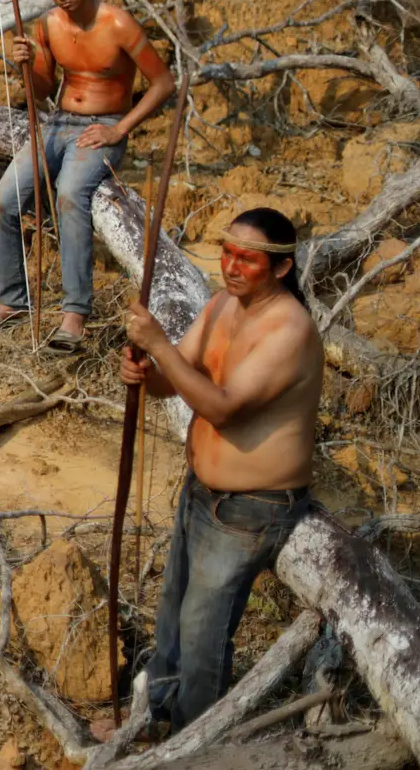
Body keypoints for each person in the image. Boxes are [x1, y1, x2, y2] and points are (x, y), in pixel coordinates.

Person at [120, 207, 322, 735]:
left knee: (202, 631)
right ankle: (156, 717)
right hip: (201, 492)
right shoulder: (222, 306)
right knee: (172, 616)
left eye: (247, 259)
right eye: (227, 253)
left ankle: (195, 742)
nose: (231, 266)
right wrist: (146, 371)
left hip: (250, 508)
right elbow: (179, 378)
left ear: (279, 268)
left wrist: (158, 342)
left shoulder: (289, 330)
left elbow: (224, 407)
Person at [0, 0, 176, 350]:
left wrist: (120, 129)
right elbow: (44, 88)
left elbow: (163, 84)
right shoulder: (48, 25)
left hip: (103, 127)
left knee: (70, 196)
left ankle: (74, 315)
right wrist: (24, 66)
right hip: (59, 122)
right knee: (0, 203)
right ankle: (13, 300)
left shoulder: (118, 24)